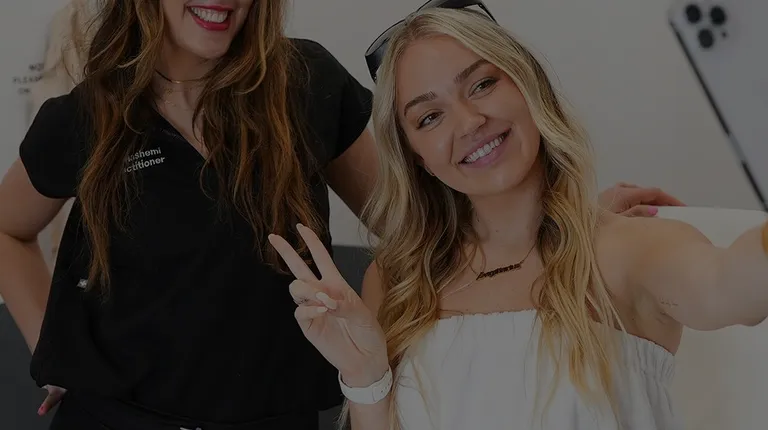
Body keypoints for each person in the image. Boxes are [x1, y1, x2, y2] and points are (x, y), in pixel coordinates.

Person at [0, 0, 680, 429]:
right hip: (113, 419)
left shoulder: (304, 83)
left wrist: (566, 217)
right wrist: (51, 350)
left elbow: (426, 217)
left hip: (278, 419)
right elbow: (5, 229)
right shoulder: (85, 117)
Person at [267, 5, 768, 430]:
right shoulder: (397, 283)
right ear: (418, 156)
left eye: (482, 84)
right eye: (429, 117)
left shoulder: (625, 250)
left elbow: (729, 287)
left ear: (530, 87)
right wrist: (364, 378)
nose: (470, 122)